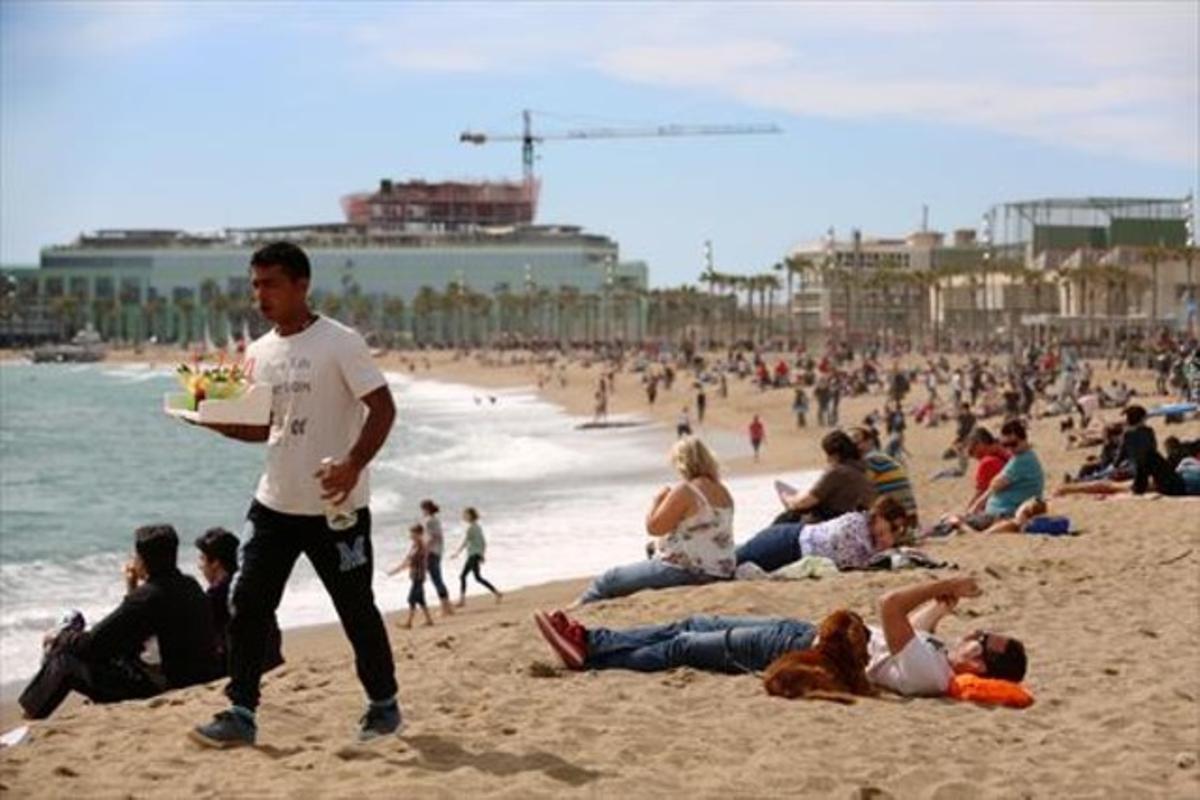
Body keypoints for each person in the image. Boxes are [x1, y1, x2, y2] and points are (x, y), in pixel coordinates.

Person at [189, 241, 402, 748]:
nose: (260, 295)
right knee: (246, 603)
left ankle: (384, 705)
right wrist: (211, 420)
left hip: (335, 509)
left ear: (301, 285)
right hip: (274, 503)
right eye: (255, 284)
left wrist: (353, 465)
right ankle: (241, 710)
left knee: (356, 609)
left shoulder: (340, 342)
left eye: (271, 284)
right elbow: (264, 428)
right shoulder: (260, 351)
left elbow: (384, 408)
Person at [534, 576, 1027, 699]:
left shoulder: (929, 675)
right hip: (808, 633)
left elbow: (889, 606)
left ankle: (590, 655)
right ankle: (590, 638)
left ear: (980, 665)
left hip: (799, 649)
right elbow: (913, 629)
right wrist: (941, 606)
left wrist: (945, 584)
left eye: (981, 638)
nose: (974, 633)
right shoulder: (933, 662)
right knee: (690, 623)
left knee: (685, 648)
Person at [20, 525, 221, 720]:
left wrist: (60, 636)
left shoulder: (149, 596)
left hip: (162, 687)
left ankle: (29, 719)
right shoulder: (189, 585)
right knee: (105, 649)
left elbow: (93, 644)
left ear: (143, 560)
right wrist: (132, 586)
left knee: (64, 659)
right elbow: (135, 626)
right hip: (194, 679)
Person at [575, 436, 735, 605]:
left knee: (608, 579)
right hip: (720, 570)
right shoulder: (723, 491)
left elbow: (654, 527)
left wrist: (657, 501)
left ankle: (573, 613)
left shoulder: (687, 490)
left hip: (692, 572)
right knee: (652, 549)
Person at [736, 496, 908, 573]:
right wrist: (881, 548)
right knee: (734, 561)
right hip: (787, 543)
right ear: (878, 515)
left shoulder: (868, 536)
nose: (891, 536)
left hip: (793, 546)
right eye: (891, 527)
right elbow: (849, 564)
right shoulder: (855, 525)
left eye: (896, 532)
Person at [194, 527, 282, 673]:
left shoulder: (217, 594)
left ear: (215, 562)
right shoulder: (252, 583)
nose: (199, 566)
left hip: (245, 667)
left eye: (202, 559)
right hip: (272, 659)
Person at [960, 419, 1044, 531]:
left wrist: (973, 508)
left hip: (1002, 513)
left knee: (950, 520)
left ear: (1024, 439)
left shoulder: (1020, 461)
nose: (1009, 448)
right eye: (1005, 445)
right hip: (1004, 511)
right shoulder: (1020, 457)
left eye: (1013, 444)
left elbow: (993, 487)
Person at [774, 430, 875, 523]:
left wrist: (788, 499)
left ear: (835, 455)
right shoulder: (863, 471)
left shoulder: (838, 472)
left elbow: (805, 502)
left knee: (785, 519)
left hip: (828, 525)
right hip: (849, 522)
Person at [848, 427, 918, 534]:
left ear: (869, 441)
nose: (856, 447)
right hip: (908, 515)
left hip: (896, 519)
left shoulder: (872, 460)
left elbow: (858, 490)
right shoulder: (881, 457)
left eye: (858, 442)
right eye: (852, 445)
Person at [451, 507, 501, 606]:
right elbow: (483, 542)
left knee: (464, 576)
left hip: (473, 555)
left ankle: (462, 601)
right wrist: (482, 555)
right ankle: (497, 593)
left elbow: (465, 542)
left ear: (470, 515)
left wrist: (457, 553)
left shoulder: (471, 528)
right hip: (476, 555)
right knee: (476, 577)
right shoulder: (477, 527)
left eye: (465, 514)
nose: (463, 516)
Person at [389, 524, 433, 628]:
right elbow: (408, 559)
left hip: (418, 575)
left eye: (413, 533)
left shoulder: (420, 546)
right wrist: (397, 568)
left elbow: (410, 561)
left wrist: (396, 570)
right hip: (416, 575)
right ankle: (429, 620)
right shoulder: (415, 545)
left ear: (419, 534)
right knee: (420, 599)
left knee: (411, 599)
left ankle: (409, 623)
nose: (411, 535)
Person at [419, 500, 455, 616]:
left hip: (431, 553)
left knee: (437, 580)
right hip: (437, 552)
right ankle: (448, 606)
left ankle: (445, 608)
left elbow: (431, 538)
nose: (421, 511)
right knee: (438, 579)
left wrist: (424, 551)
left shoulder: (429, 521)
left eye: (422, 509)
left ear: (426, 509)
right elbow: (438, 537)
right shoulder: (435, 520)